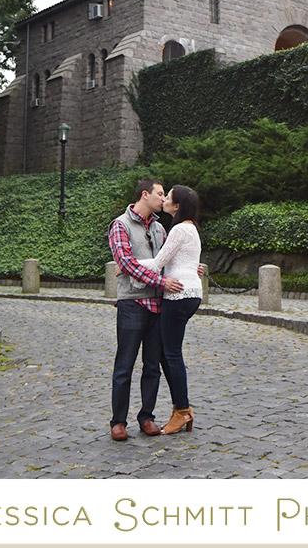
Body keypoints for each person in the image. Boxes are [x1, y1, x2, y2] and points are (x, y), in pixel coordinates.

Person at [107, 178, 183, 440]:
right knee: (124, 365)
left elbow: (167, 261)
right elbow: (126, 263)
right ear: (145, 195)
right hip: (132, 304)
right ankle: (118, 422)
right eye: (160, 194)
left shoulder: (161, 229)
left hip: (158, 305)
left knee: (152, 365)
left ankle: (147, 417)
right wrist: (160, 279)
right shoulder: (121, 225)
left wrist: (187, 270)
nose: (163, 199)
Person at [137, 184, 203, 435]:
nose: (164, 199)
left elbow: (157, 264)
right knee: (167, 353)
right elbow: (188, 263)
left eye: (169, 198)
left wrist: (126, 264)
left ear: (177, 206)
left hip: (178, 295)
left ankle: (183, 410)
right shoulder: (192, 229)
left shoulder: (178, 229)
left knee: (172, 354)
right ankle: (180, 409)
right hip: (190, 294)